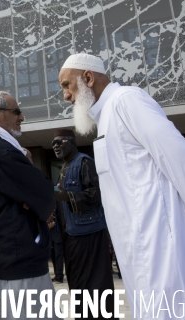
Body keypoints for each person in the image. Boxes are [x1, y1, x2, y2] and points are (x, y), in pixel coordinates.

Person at [58, 53, 185, 319]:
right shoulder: (106, 116)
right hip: (139, 252)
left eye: (67, 85)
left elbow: (183, 160)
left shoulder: (127, 100)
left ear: (88, 78)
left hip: (166, 247)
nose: (66, 96)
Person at [0, 91, 58, 320]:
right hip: (21, 267)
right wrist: (30, 186)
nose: (22, 117)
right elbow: (46, 196)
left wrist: (29, 200)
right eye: (16, 111)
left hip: (8, 262)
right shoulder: (2, 152)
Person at [52, 128, 115, 318]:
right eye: (53, 143)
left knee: (94, 284)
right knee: (78, 284)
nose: (55, 146)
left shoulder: (84, 162)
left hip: (89, 234)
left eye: (60, 142)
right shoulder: (65, 166)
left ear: (72, 142)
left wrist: (66, 196)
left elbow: (96, 193)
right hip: (72, 234)